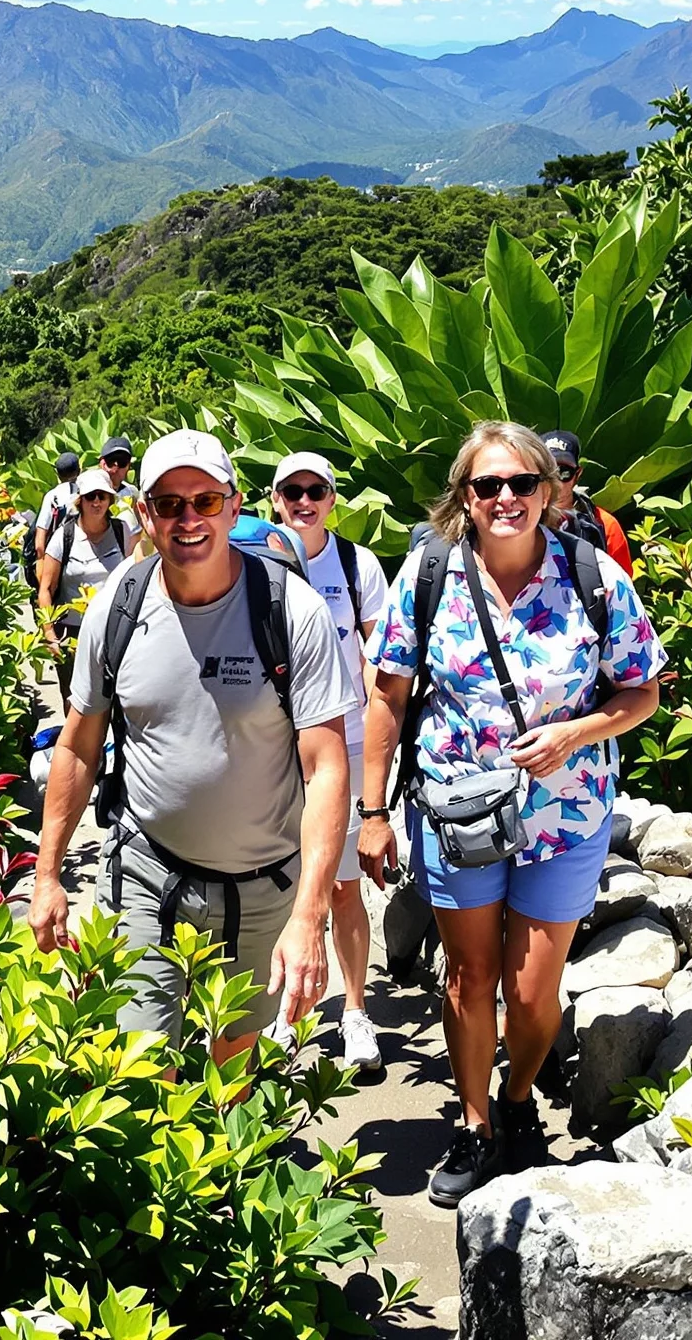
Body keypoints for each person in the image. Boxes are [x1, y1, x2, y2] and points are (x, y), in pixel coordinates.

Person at [357, 422, 666, 1205]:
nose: (505, 499)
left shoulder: (594, 577)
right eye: (486, 485)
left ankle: (518, 1096)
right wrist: (372, 811)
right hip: (459, 812)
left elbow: (643, 690)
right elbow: (386, 697)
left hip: (566, 813)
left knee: (533, 990)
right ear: (464, 496)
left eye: (521, 483)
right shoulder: (429, 575)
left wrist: (578, 730)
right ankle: (474, 1123)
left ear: (549, 489)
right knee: (468, 975)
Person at [30, 429, 355, 1063]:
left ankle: (231, 1162)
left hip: (264, 886)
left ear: (234, 508)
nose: (188, 519)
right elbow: (77, 746)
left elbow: (325, 770)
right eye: (169, 503)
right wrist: (47, 875)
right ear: (144, 513)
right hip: (146, 870)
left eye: (205, 502)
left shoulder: (293, 611)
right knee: (139, 1060)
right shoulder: (117, 607)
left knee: (234, 1054)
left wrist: (310, 914)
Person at [269, 452, 387, 1076]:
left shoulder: (355, 564)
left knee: (342, 886)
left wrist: (367, 719)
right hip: (275, 750)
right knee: (281, 883)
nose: (304, 501)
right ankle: (288, 1014)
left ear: (333, 499)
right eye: (293, 491)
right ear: (273, 498)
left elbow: (379, 651)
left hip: (341, 746)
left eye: (316, 491)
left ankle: (356, 1011)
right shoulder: (257, 559)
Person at [36, 465, 132, 664]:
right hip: (70, 632)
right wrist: (49, 634)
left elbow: (133, 580)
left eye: (102, 496)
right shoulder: (64, 536)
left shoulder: (122, 531)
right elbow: (46, 588)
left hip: (111, 630)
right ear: (80, 500)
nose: (96, 502)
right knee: (71, 694)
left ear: (110, 500)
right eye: (91, 496)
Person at [540, 430, 634, 574]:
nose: (555, 481)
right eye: (548, 472)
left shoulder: (605, 525)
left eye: (563, 472)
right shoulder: (518, 520)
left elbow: (623, 587)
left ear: (578, 474)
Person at [32, 452, 83, 566]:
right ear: (79, 471)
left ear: (58, 474)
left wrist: (41, 562)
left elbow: (41, 533)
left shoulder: (52, 496)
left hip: (56, 555)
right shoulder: (86, 493)